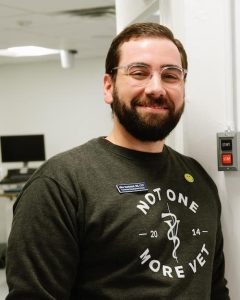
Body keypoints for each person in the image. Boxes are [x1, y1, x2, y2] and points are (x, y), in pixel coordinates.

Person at [6, 22, 230, 299]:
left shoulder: (197, 178)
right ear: (108, 87)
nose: (156, 88)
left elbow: (216, 290)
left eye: (171, 76)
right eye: (139, 73)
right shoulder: (61, 184)